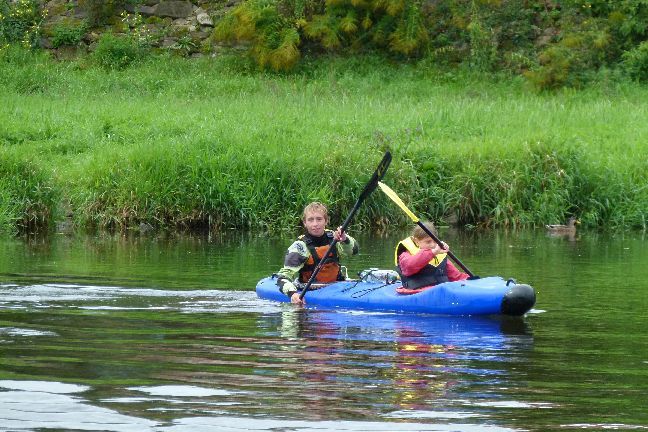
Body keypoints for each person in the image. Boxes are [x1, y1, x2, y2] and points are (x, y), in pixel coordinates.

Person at [276, 202, 359, 305]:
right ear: (305, 223)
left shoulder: (335, 237)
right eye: (311, 220)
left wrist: (345, 239)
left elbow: (354, 251)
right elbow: (282, 277)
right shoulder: (300, 247)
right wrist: (293, 294)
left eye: (319, 219)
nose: (315, 224)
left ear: (326, 221)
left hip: (336, 286)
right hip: (312, 289)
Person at [395, 222, 468, 294]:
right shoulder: (405, 255)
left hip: (440, 292)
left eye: (435, 241)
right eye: (428, 242)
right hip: (417, 293)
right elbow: (409, 267)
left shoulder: (439, 256)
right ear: (416, 241)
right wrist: (432, 252)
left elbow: (456, 276)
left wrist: (472, 280)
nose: (432, 245)